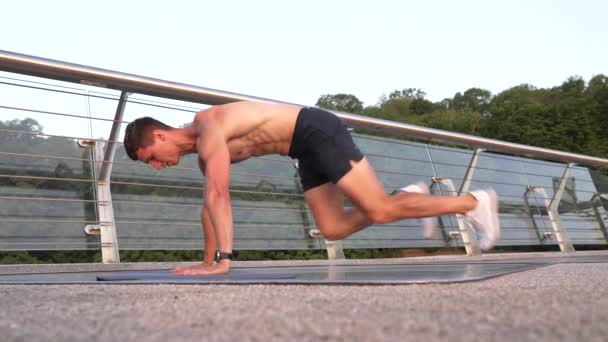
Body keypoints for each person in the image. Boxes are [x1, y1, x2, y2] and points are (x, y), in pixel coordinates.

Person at [123, 101, 500, 275]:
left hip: (315, 129)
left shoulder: (209, 128)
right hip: (302, 150)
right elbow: (209, 206)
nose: (157, 166)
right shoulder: (205, 155)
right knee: (333, 228)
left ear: (159, 134)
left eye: (152, 156)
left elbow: (219, 197)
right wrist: (205, 264)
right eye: (150, 164)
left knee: (380, 211)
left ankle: (472, 202)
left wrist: (225, 261)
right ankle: (409, 198)